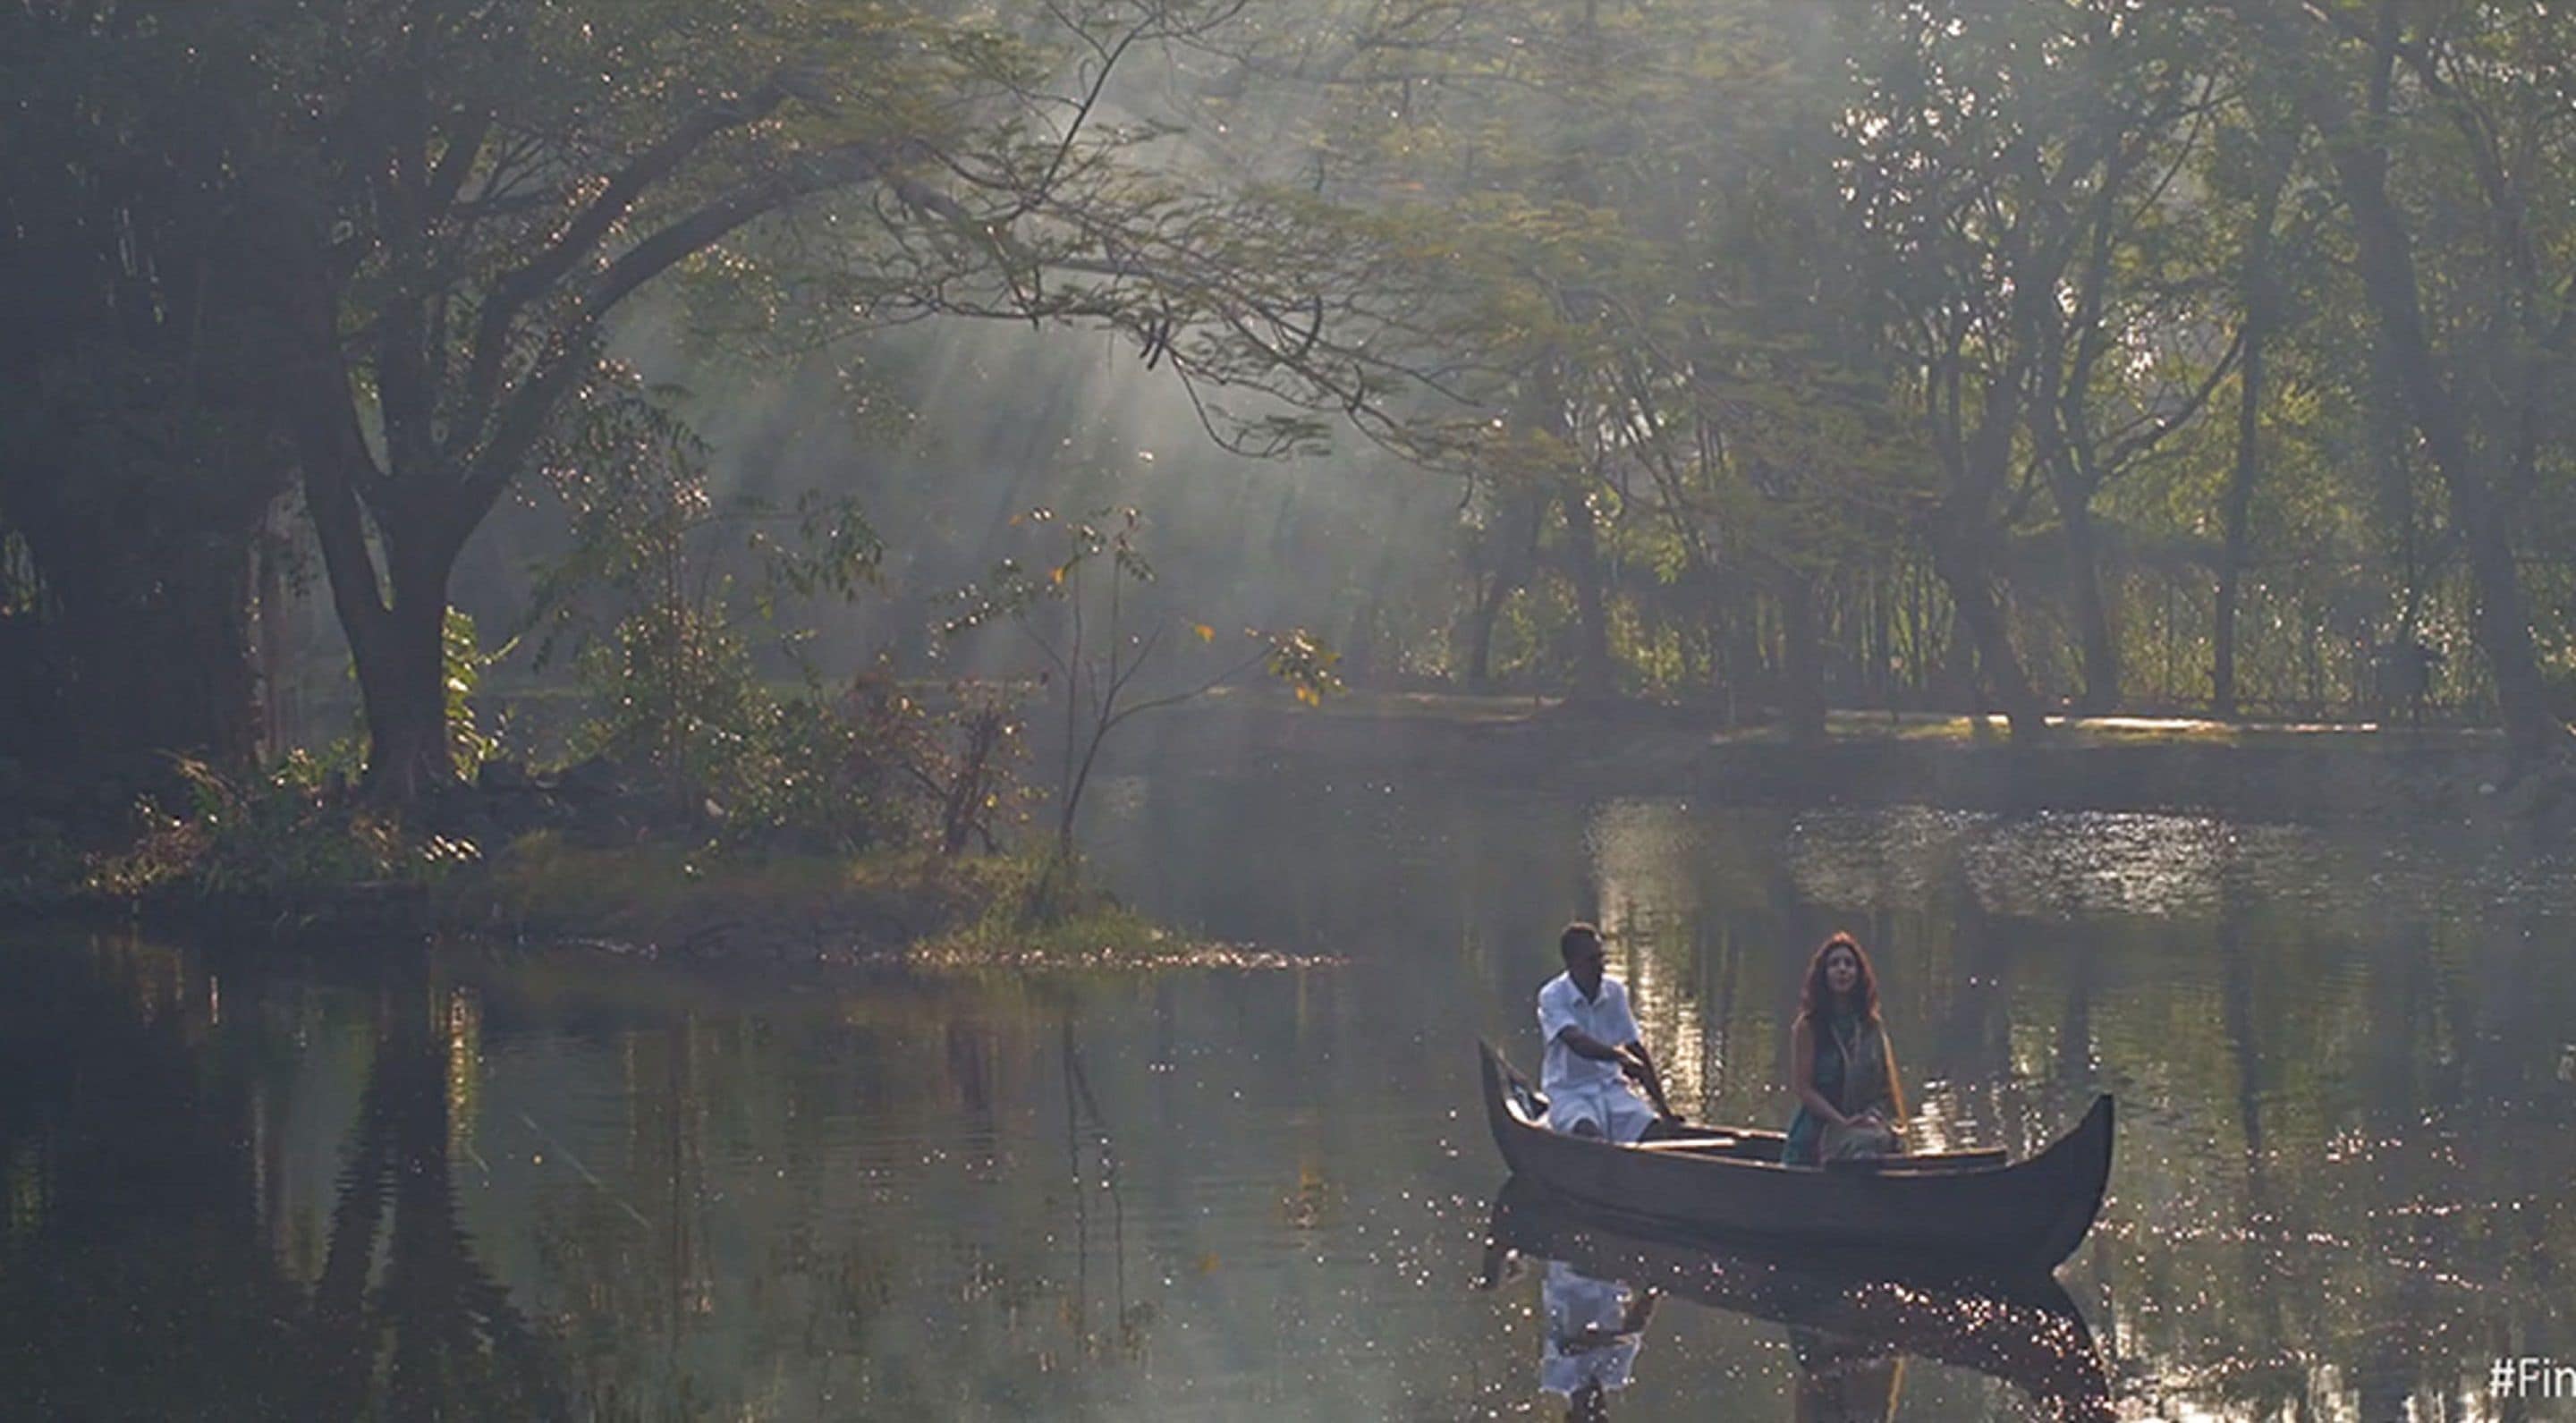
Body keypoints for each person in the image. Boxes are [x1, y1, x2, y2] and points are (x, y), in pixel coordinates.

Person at [1538, 922, 1677, 1142]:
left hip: (1611, 1090)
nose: (1600, 966)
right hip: (1570, 1093)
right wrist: (1620, 1057)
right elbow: (1577, 1042)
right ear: (1572, 963)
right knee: (1588, 1135)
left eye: (1601, 958)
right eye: (1592, 960)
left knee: (1654, 1132)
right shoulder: (1552, 996)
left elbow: (1636, 1049)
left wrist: (1664, 1110)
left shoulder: (1615, 992)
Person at [1783, 932, 1906, 1166]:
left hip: (1864, 1126)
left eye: (1849, 964)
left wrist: (1871, 1118)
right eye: (1834, 964)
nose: (1842, 970)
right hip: (1817, 1132)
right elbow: (1804, 1090)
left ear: (1859, 975)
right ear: (1823, 975)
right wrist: (1842, 1122)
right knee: (1864, 1146)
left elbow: (1884, 1090)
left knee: (1884, 1140)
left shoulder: (1870, 1026)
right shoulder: (1808, 1026)